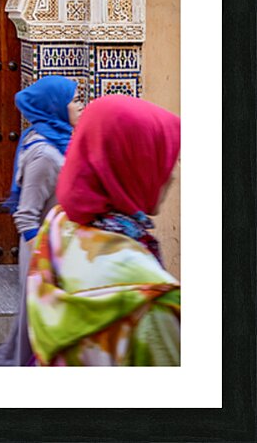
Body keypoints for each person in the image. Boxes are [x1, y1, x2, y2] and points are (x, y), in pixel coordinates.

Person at [26, 94, 181, 367]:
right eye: (160, 156)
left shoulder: (58, 227)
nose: (172, 174)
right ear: (132, 164)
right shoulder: (151, 304)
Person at [0, 75, 83, 366]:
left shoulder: (59, 139)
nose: (80, 105)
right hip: (44, 249)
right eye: (73, 100)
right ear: (56, 107)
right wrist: (46, 259)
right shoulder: (45, 153)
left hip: (59, 246)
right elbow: (26, 215)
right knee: (41, 324)